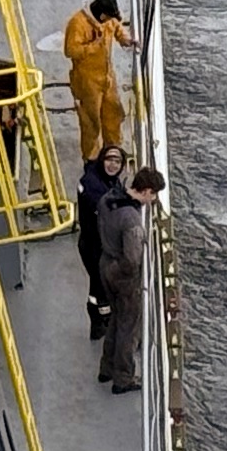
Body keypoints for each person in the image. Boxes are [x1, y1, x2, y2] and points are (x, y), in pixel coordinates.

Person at [92, 166, 162, 392]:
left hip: (104, 262)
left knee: (115, 318)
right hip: (121, 274)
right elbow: (132, 260)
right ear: (147, 191)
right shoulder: (132, 220)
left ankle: (107, 368)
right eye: (154, 195)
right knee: (128, 326)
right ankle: (123, 379)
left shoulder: (109, 197)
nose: (153, 200)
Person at [63, 0, 135, 164]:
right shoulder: (77, 24)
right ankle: (92, 159)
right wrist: (92, 47)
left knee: (113, 113)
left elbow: (117, 27)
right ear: (102, 15)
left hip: (107, 78)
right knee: (90, 122)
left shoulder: (108, 21)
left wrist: (125, 38)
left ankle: (113, 149)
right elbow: (70, 51)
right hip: (87, 83)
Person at [74, 143, 129, 341]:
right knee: (99, 286)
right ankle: (101, 322)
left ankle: (101, 322)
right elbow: (105, 208)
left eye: (118, 161)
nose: (113, 165)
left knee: (99, 285)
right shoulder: (91, 183)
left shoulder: (110, 181)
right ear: (102, 160)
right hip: (92, 245)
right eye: (110, 160)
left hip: (100, 243)